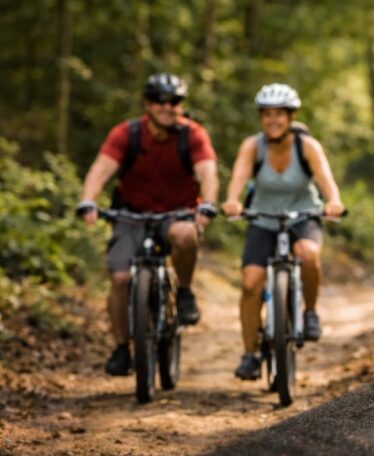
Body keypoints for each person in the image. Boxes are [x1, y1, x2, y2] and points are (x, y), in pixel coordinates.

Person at [76, 73, 219, 376]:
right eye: (159, 100)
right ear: (147, 103)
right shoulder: (127, 133)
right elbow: (101, 169)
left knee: (185, 234)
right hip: (131, 214)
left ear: (181, 105)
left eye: (174, 101)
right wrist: (88, 199)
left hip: (177, 213)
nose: (167, 107)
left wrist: (207, 202)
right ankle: (120, 347)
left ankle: (184, 292)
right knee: (119, 279)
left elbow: (207, 171)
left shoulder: (192, 134)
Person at [221, 84, 346, 381]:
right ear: (261, 118)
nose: (272, 120)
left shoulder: (307, 147)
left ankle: (310, 312)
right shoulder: (252, 146)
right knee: (251, 283)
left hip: (303, 216)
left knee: (308, 253)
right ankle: (250, 354)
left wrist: (334, 201)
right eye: (267, 114)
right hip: (262, 219)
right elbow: (239, 176)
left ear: (290, 117)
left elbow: (325, 178)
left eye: (279, 114)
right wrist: (232, 200)